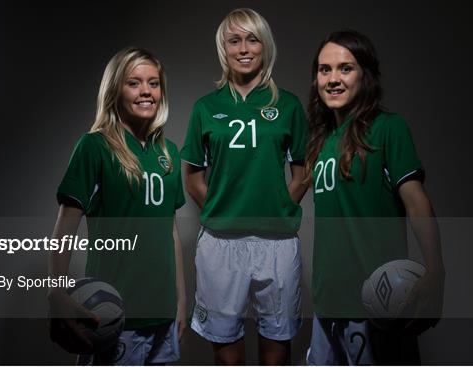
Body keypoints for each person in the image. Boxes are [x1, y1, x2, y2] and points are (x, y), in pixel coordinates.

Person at [304, 29, 445, 365]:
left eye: (345, 68)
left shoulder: (388, 128)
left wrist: (436, 271)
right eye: (325, 70)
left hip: (377, 304)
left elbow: (416, 202)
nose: (333, 79)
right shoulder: (321, 142)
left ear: (364, 75)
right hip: (326, 307)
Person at [181, 8, 308, 365]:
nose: (244, 48)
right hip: (221, 242)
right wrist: (224, 207)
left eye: (252, 38)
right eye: (234, 40)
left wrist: (279, 204)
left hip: (277, 242)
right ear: (224, 48)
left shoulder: (289, 105)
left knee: (277, 347)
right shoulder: (206, 107)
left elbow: (303, 172)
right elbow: (191, 177)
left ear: (265, 45)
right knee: (226, 351)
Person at [47, 47, 186, 365]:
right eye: (134, 83)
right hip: (115, 316)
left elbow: (171, 232)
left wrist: (180, 301)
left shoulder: (169, 153)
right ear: (115, 90)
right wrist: (55, 292)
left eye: (154, 83)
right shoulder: (94, 147)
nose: (146, 91)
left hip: (162, 316)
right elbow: (66, 226)